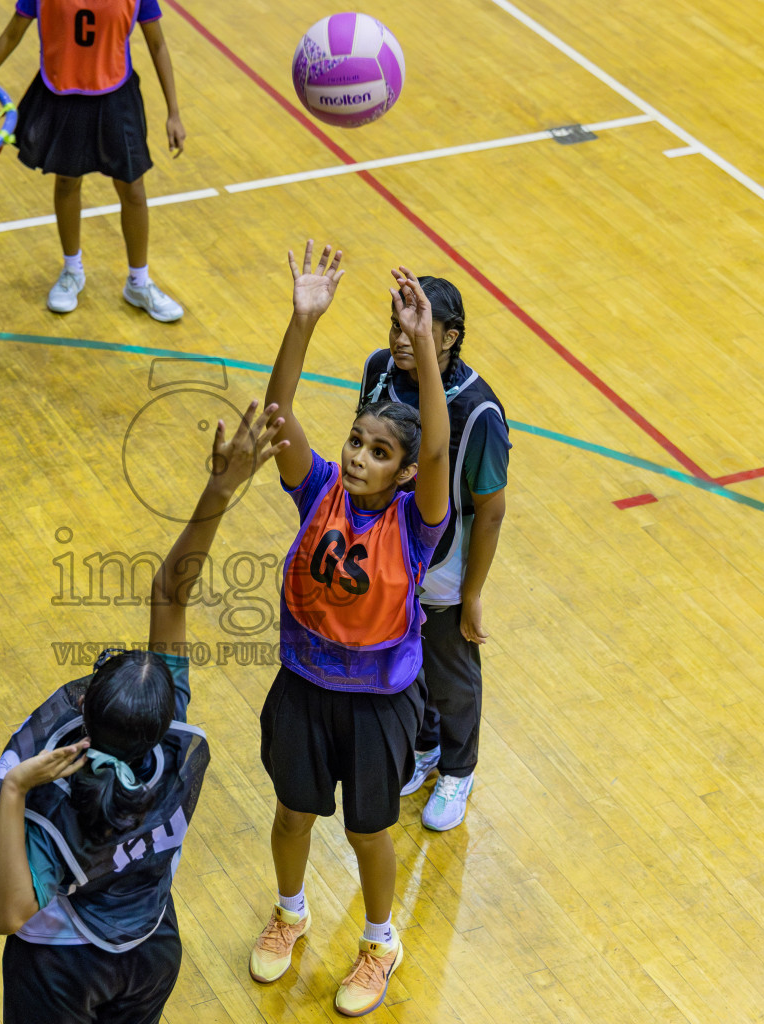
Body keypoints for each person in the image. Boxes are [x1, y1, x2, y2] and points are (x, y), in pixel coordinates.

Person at [0, 402, 286, 1024]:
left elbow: (10, 913)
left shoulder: (63, 800)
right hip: (152, 949)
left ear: (85, 710)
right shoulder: (170, 742)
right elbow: (171, 594)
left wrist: (14, 790)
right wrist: (220, 490)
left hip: (63, 967)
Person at [251, 241, 451, 1017]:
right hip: (303, 687)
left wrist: (424, 346)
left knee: (370, 832)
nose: (361, 457)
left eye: (380, 451)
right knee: (292, 813)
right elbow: (277, 417)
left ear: (405, 470)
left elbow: (438, 445)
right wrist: (302, 320)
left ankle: (378, 943)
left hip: (377, 703)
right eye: (357, 442)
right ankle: (290, 912)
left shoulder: (415, 524)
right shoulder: (319, 491)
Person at [356, 275, 510, 832]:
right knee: (404, 661)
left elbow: (490, 510)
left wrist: (473, 593)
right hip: (383, 553)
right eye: (394, 326)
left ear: (450, 337)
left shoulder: (478, 411)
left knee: (451, 674)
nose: (401, 338)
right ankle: (424, 748)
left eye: (414, 328)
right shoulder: (379, 370)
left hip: (442, 565)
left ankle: (458, 770)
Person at [0, 0, 187, 322]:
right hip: (62, 93)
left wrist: (174, 113)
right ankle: (72, 271)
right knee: (66, 182)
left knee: (133, 189)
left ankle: (139, 282)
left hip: (116, 95)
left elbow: (157, 44)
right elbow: (11, 35)